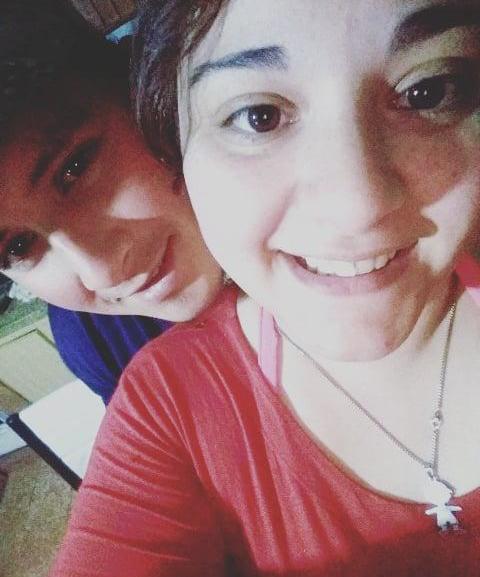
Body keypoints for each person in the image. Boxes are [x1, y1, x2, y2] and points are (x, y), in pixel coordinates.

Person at [50, 0, 480, 575]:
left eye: (428, 92)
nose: (358, 206)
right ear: (177, 147)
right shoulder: (163, 404)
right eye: (259, 117)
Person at [0, 0, 223, 402]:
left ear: (138, 88)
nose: (101, 275)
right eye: (18, 246)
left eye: (74, 169)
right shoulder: (97, 341)